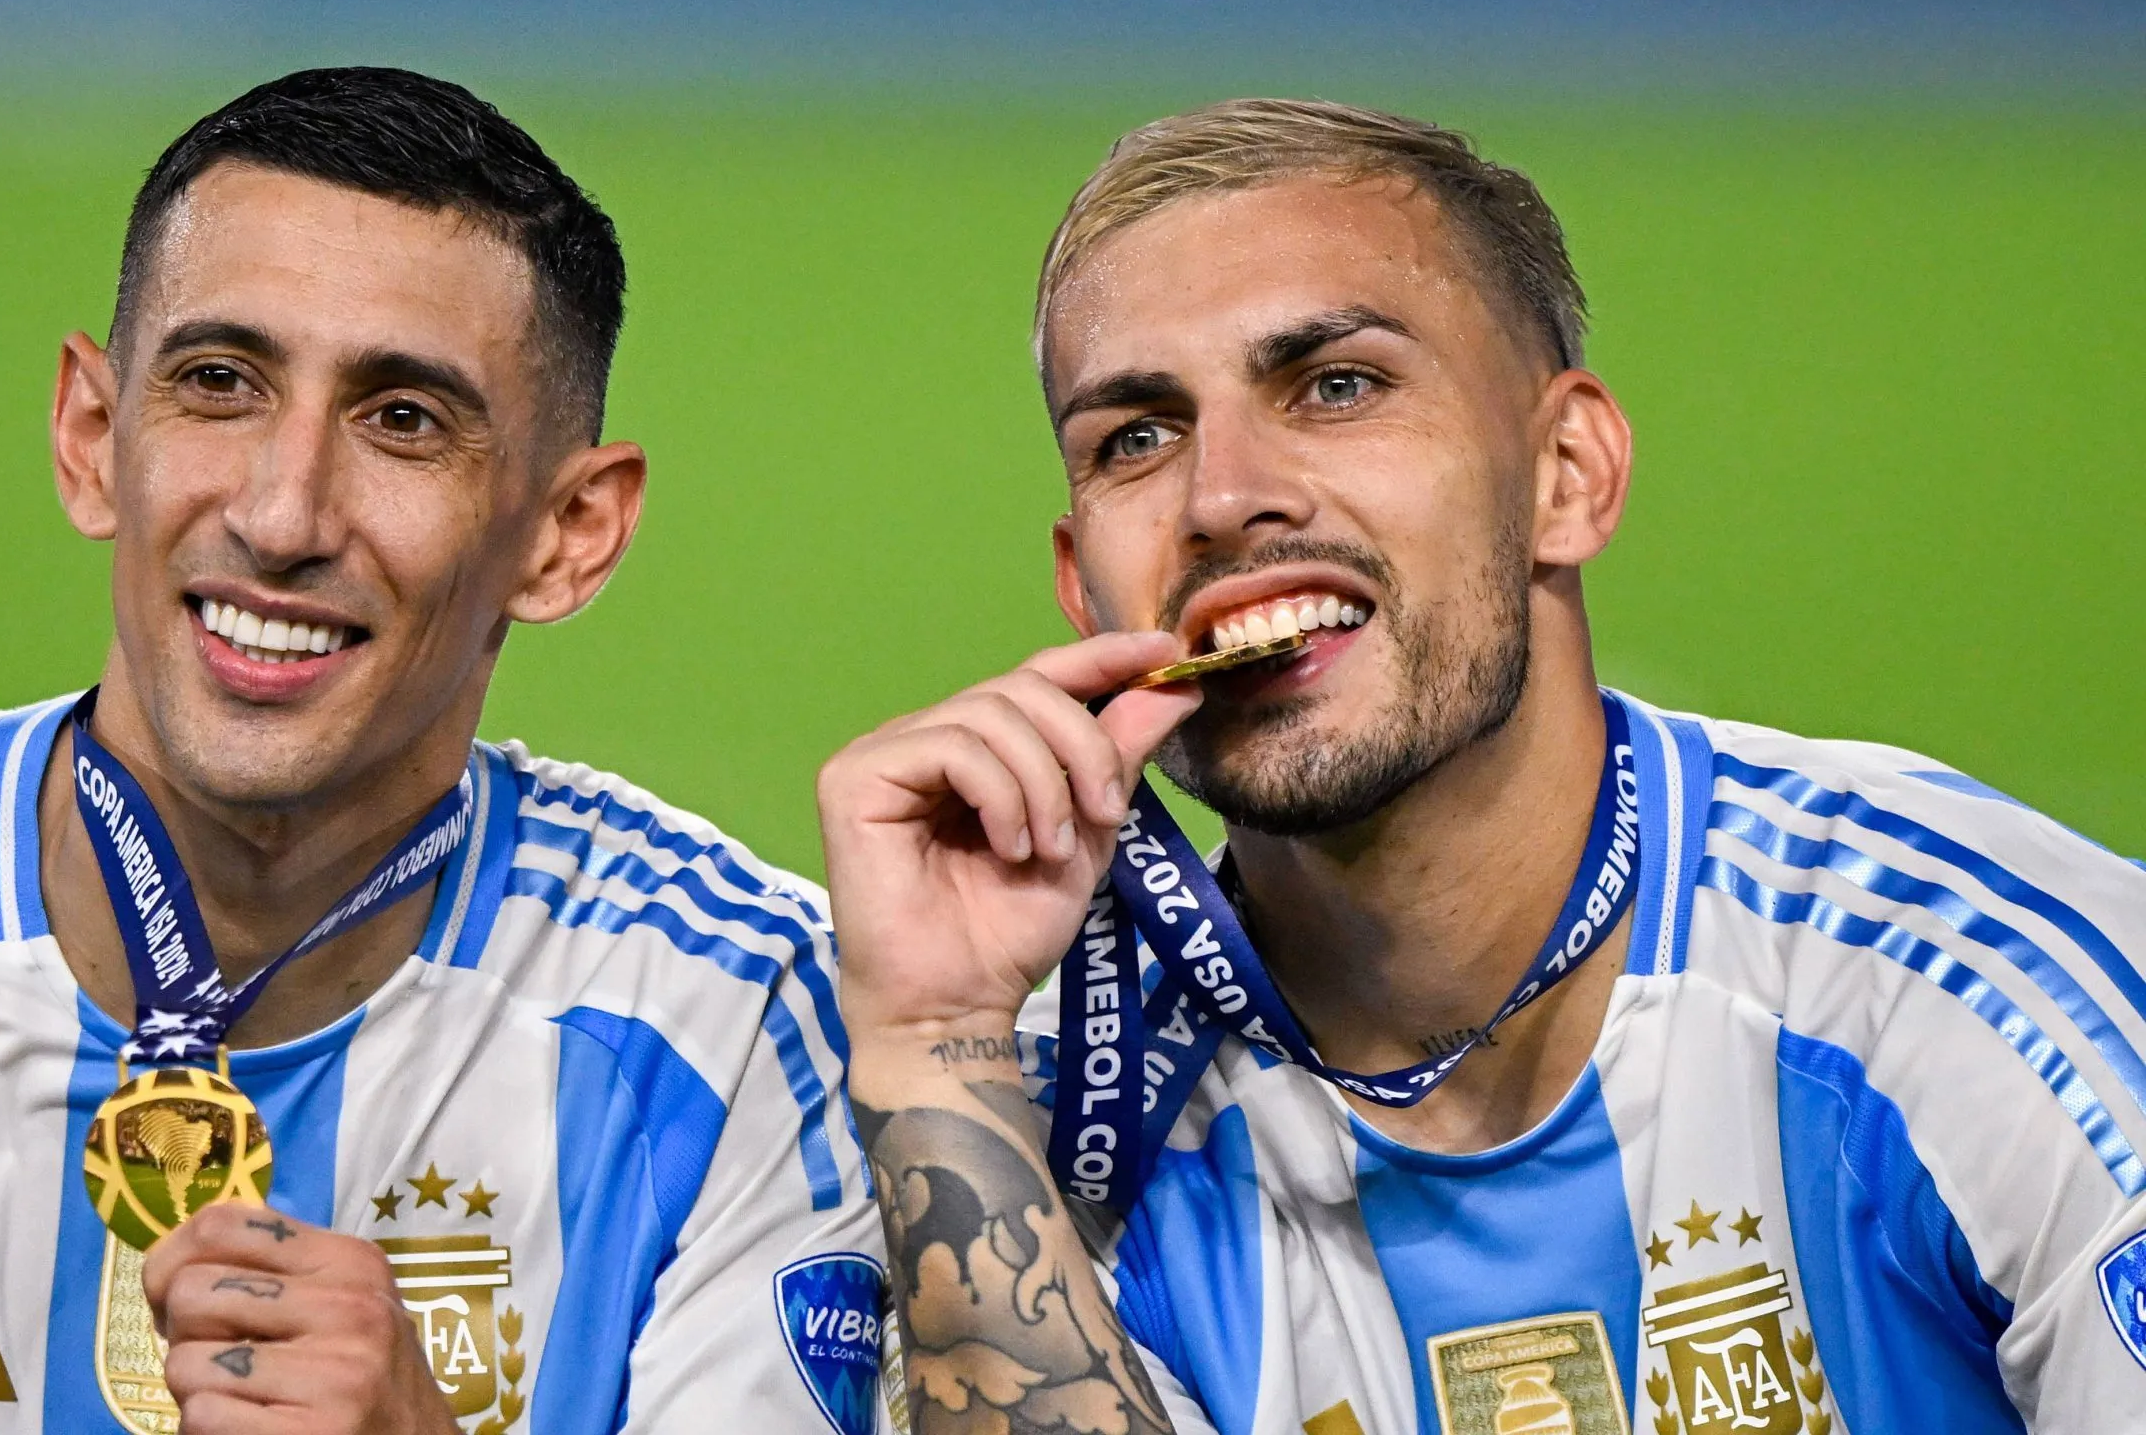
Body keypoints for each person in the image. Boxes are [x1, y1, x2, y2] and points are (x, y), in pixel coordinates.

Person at [0, 68, 888, 1435]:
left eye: (404, 419)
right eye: (220, 383)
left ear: (567, 535)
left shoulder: (730, 1017)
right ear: (95, 437)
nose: (282, 515)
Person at [820, 98, 2146, 1435]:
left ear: (1562, 475)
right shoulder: (1060, 1137)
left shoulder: (1970, 989)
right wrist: (932, 1045)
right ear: (1083, 587)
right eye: (1137, 440)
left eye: (1337, 386)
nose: (1222, 497)